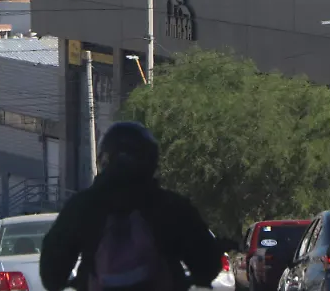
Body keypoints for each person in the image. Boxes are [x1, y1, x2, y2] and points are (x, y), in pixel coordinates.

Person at [40, 121, 222, 291]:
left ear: (104, 159)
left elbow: (51, 275)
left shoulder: (82, 207)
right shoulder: (171, 206)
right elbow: (208, 266)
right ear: (151, 160)